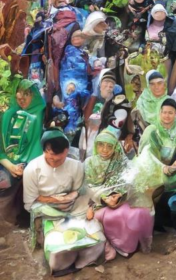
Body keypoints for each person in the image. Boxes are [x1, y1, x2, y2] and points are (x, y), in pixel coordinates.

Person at [23, 129, 106, 275]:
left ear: (66, 151)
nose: (54, 162)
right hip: (46, 207)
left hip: (73, 206)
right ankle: (62, 257)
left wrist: (71, 196)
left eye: (59, 159)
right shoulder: (32, 169)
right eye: (50, 158)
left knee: (94, 235)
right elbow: (30, 199)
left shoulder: (75, 166)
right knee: (58, 245)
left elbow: (79, 191)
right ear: (44, 151)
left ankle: (86, 256)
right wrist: (54, 200)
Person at [84, 128, 154, 259]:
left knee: (140, 212)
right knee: (117, 216)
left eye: (109, 146)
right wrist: (104, 198)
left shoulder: (121, 162)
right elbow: (88, 187)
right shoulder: (89, 163)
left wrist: (119, 195)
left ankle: (128, 246)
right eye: (101, 145)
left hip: (120, 201)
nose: (104, 149)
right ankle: (117, 244)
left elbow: (129, 180)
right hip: (98, 203)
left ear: (115, 147)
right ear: (96, 145)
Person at [137, 98, 176, 230]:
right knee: (158, 185)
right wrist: (163, 168)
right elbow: (145, 155)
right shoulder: (152, 130)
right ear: (160, 113)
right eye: (164, 112)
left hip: (173, 166)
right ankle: (157, 222)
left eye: (170, 113)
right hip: (152, 168)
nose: (167, 116)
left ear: (175, 114)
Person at [0, 78, 45, 223]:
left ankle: (30, 219)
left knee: (37, 177)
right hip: (8, 162)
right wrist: (11, 165)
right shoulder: (8, 115)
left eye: (27, 95)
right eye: (18, 96)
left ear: (34, 95)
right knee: (5, 180)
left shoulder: (41, 113)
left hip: (34, 161)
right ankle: (5, 224)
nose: (22, 99)